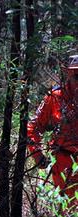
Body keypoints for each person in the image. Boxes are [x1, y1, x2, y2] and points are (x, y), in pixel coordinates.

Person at [28, 54, 78, 199]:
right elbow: (33, 127)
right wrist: (37, 155)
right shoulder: (55, 97)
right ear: (67, 73)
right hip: (64, 163)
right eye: (77, 75)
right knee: (67, 213)